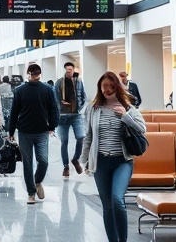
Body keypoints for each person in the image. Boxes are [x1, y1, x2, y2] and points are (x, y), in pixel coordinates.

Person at [80, 71, 147, 242]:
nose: (107, 90)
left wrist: (125, 116)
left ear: (117, 87)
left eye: (111, 86)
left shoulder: (128, 108)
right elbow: (88, 136)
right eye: (104, 87)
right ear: (99, 88)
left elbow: (142, 129)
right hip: (101, 162)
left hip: (122, 161)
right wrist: (84, 161)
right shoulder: (93, 108)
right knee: (107, 206)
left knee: (117, 199)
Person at [6, 64, 58, 205]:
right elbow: (14, 112)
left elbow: (53, 108)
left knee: (43, 160)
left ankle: (37, 181)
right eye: (33, 74)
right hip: (24, 131)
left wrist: (52, 125)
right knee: (27, 163)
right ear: (28, 74)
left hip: (42, 131)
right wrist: (10, 131)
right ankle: (31, 193)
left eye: (37, 74)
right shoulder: (20, 91)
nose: (35, 77)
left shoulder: (47, 89)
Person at [54, 62, 87, 178]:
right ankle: (66, 166)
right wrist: (60, 109)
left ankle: (75, 159)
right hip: (62, 116)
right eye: (67, 70)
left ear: (73, 70)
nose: (69, 71)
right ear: (65, 70)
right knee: (64, 141)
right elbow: (55, 99)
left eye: (70, 70)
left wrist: (79, 108)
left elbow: (84, 96)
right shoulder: (59, 82)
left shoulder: (78, 82)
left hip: (76, 115)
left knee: (80, 137)